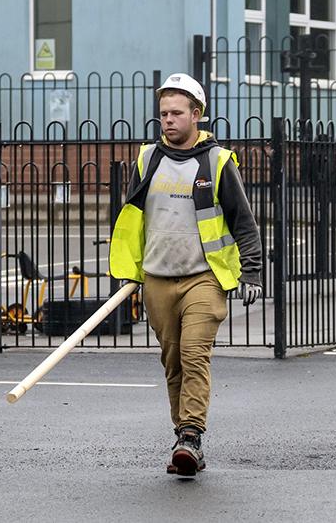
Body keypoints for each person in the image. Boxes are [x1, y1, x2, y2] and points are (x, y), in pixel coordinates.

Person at [109, 73, 263, 476]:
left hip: (204, 278)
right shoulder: (148, 160)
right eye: (163, 114)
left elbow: (242, 220)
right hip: (158, 277)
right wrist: (130, 270)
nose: (168, 120)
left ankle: (191, 435)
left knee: (195, 354)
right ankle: (184, 438)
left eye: (176, 113)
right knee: (173, 361)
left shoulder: (216, 162)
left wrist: (252, 272)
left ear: (196, 114)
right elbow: (132, 218)